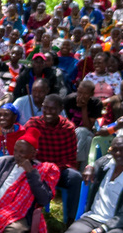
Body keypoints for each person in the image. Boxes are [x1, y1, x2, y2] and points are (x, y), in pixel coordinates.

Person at [24, 95, 83, 223]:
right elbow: (27, 153)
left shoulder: (67, 128)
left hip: (60, 170)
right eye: (45, 108)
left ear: (60, 109)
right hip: (38, 169)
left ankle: (71, 220)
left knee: (75, 177)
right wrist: (42, 168)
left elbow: (70, 159)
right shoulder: (33, 124)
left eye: (52, 109)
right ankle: (27, 217)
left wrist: (53, 170)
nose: (48, 112)